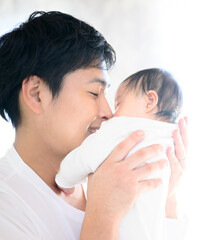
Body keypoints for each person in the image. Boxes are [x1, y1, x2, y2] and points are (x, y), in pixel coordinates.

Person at [0, 11, 188, 240]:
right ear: (36, 94)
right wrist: (103, 215)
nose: (109, 113)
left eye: (107, 95)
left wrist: (168, 196)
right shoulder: (7, 208)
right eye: (93, 92)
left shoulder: (114, 164)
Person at [55, 68, 184, 240]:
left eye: (118, 104)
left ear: (150, 101)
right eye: (94, 93)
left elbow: (84, 157)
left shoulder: (122, 128)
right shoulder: (171, 139)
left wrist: (64, 179)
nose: (112, 114)